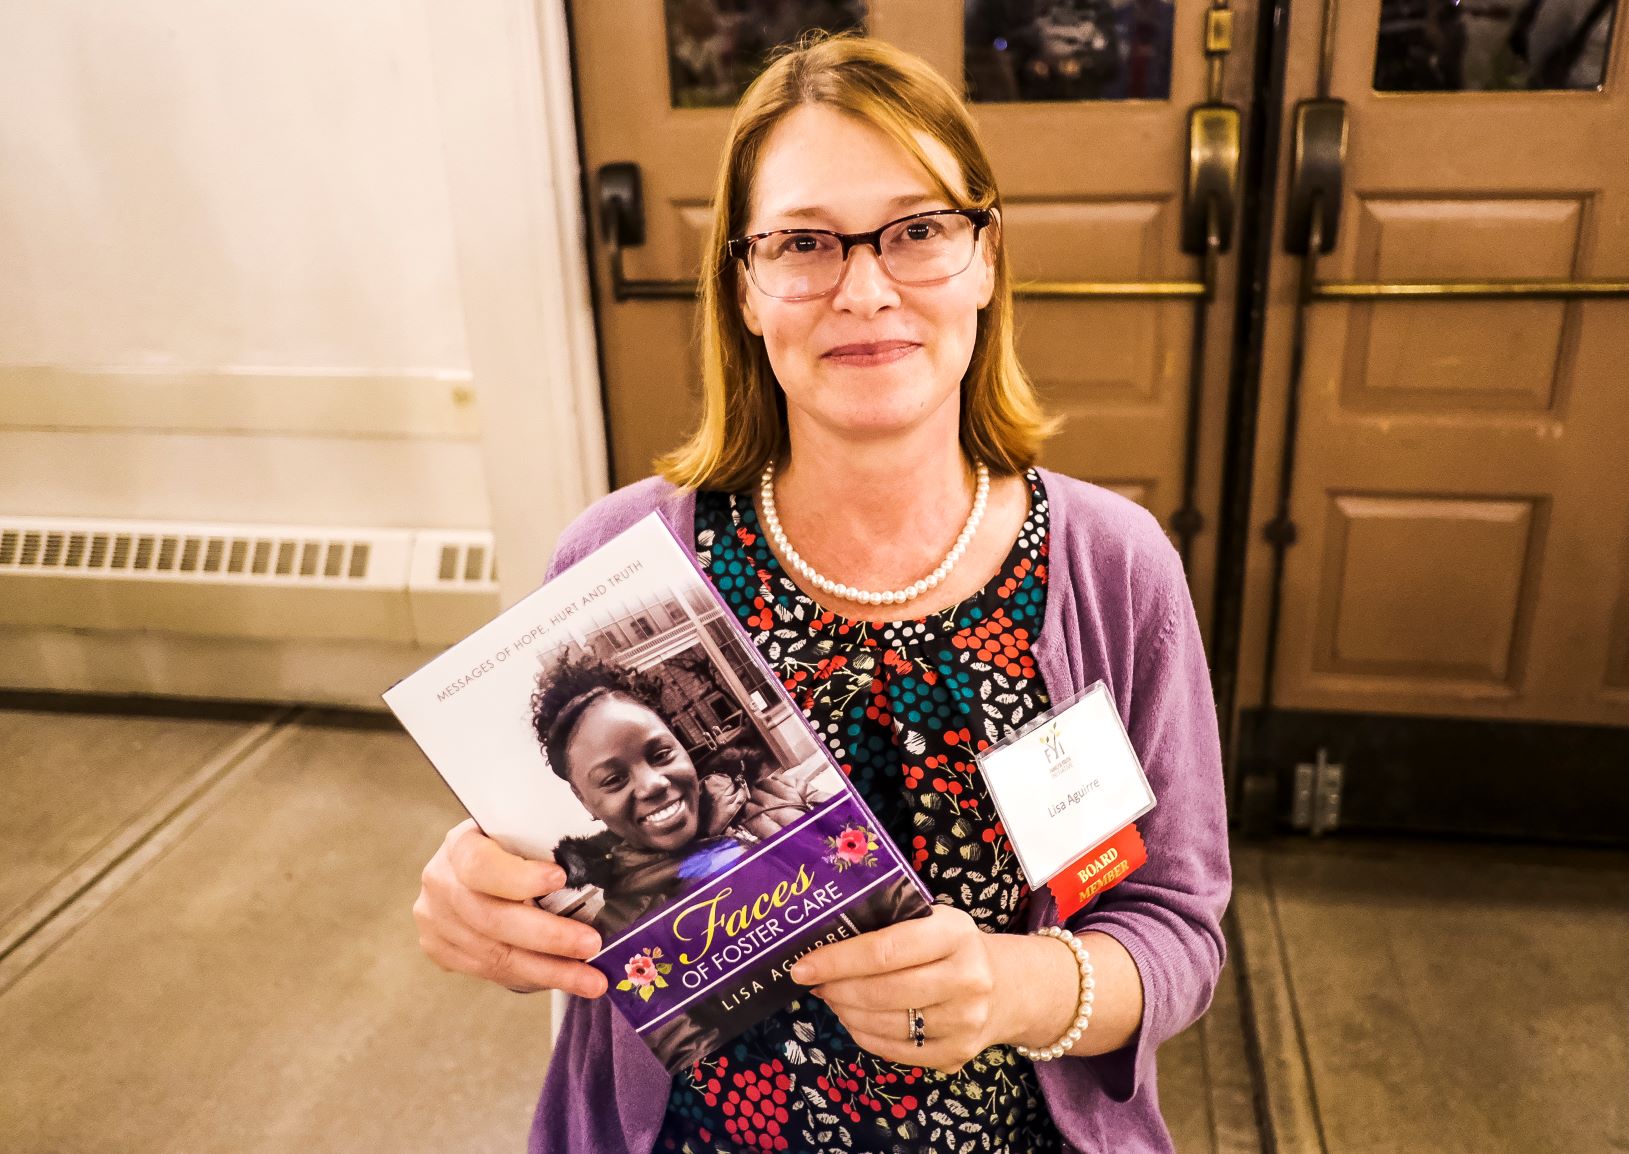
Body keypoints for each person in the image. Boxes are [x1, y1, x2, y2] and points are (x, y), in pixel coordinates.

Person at [412, 33, 1230, 1154]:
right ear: (745, 289)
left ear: (985, 258)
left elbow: (1178, 929)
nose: (864, 287)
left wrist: (1016, 982)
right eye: (802, 242)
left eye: (920, 229)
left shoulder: (1112, 564)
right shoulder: (619, 559)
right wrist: (487, 901)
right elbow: (562, 886)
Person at [530, 648, 831, 937]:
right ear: (585, 801)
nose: (653, 784)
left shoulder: (789, 797)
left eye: (661, 754)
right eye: (614, 779)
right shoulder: (622, 936)